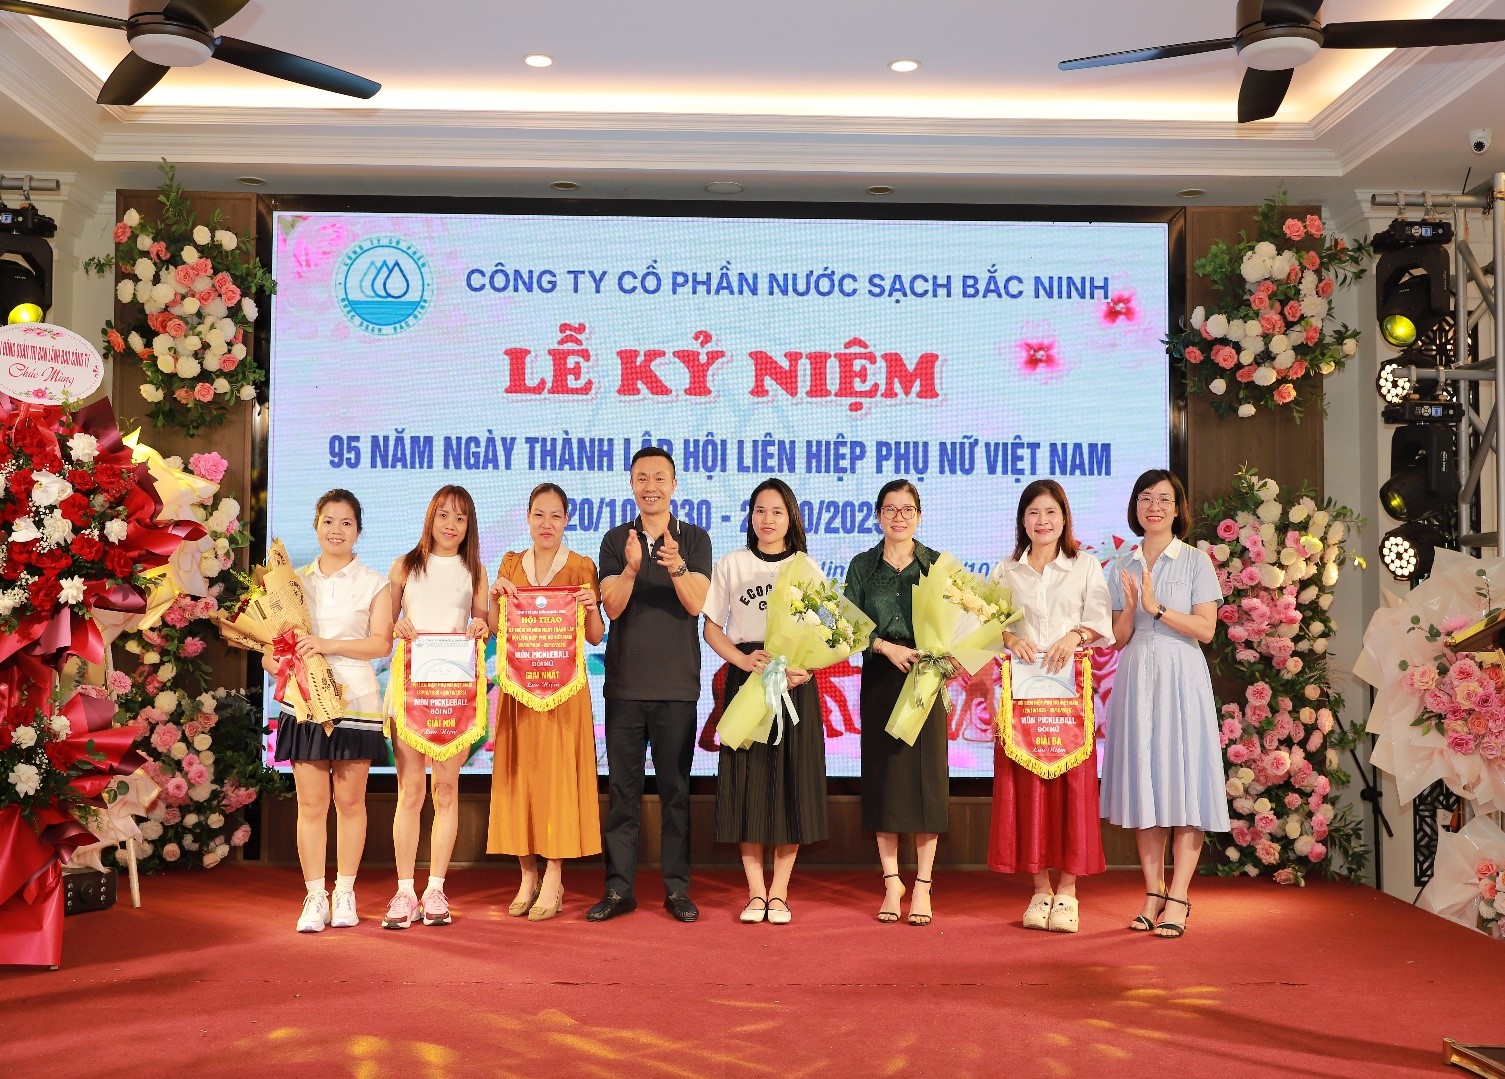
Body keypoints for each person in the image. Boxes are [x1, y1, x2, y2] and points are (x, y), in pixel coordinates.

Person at [1100, 469, 1228, 938]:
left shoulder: (1195, 561)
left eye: (1163, 499)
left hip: (1181, 675)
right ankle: (1152, 892)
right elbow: (1118, 638)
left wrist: (1156, 607)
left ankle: (1179, 895)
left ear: (1178, 509)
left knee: (1185, 780)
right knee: (1145, 782)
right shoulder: (1121, 564)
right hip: (1136, 674)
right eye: (1145, 499)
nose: (1153, 507)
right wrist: (1133, 606)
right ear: (1135, 507)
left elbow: (1206, 629)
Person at [590, 447, 712, 923]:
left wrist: (676, 565)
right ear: (631, 485)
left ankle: (677, 890)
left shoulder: (694, 538)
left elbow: (697, 604)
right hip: (624, 687)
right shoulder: (615, 539)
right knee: (622, 795)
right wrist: (631, 568)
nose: (651, 486)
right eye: (642, 478)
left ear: (674, 485)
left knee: (675, 795)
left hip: (677, 688)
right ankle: (619, 889)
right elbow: (612, 607)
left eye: (660, 478)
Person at [989, 480, 1113, 934]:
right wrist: (1010, 637)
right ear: (1022, 521)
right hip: (1022, 693)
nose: (1042, 521)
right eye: (1033, 513)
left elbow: (1100, 622)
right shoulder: (1006, 570)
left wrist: (1074, 635)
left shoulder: (1085, 565)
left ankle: (1068, 892)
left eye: (1051, 513)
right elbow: (987, 624)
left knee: (1072, 788)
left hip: (1068, 691)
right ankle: (1039, 889)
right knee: (1027, 788)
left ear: (1064, 518)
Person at [270, 489, 392, 933]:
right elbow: (273, 645)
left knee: (350, 801)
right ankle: (314, 896)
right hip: (303, 702)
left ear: (358, 530)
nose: (336, 530)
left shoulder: (375, 582)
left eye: (346, 523)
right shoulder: (293, 583)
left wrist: (327, 645)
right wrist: (274, 660)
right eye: (328, 521)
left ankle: (345, 891)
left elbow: (381, 643)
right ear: (316, 525)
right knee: (311, 803)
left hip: (355, 700)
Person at [703, 479, 825, 926]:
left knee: (791, 783)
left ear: (791, 517)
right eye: (759, 510)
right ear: (750, 516)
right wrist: (741, 660)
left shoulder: (805, 566)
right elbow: (711, 627)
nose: (767, 519)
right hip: (748, 678)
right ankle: (756, 892)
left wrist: (806, 668)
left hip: (793, 682)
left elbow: (825, 631)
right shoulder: (731, 564)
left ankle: (780, 893)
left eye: (776, 511)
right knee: (746, 784)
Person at [487, 483, 605, 921]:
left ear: (567, 520)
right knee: (521, 778)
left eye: (556, 516)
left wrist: (591, 606)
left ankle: (554, 876)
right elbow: (496, 627)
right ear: (528, 517)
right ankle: (527, 875)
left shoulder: (580, 566)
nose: (547, 524)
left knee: (557, 780)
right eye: (539, 514)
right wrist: (495, 597)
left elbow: (595, 636)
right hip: (520, 691)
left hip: (564, 694)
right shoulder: (510, 563)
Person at [381, 485, 491, 930]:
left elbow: (485, 623)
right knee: (410, 791)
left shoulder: (475, 570)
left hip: (454, 694)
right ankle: (404, 890)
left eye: (460, 518)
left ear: (469, 526)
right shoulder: (405, 565)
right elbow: (384, 624)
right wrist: (397, 626)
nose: (451, 525)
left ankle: (436, 888)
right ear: (430, 518)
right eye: (443, 515)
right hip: (410, 692)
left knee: (446, 790)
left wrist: (482, 625)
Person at [843, 479, 947, 927]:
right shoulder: (862, 566)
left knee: (927, 785)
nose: (898, 517)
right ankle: (891, 883)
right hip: (882, 678)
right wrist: (885, 647)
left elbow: (961, 623)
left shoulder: (937, 565)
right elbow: (847, 628)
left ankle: (922, 885)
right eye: (890, 509)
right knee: (884, 782)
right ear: (878, 515)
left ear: (919, 516)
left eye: (907, 509)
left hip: (926, 678)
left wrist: (950, 654)